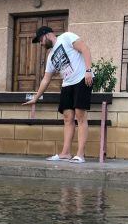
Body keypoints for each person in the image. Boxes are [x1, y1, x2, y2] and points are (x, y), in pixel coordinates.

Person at [23, 26, 93, 163]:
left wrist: (88, 70)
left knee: (80, 116)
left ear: (48, 35)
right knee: (67, 118)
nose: (41, 43)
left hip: (81, 79)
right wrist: (35, 98)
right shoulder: (50, 57)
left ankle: (80, 154)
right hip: (67, 85)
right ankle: (65, 153)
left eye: (41, 40)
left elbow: (85, 48)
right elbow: (46, 79)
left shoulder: (67, 37)